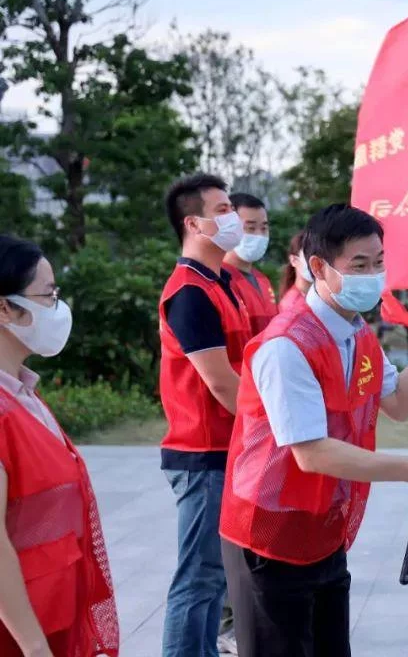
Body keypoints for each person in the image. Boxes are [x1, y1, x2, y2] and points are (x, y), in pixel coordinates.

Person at [218, 204, 408, 657]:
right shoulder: (286, 346)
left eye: (379, 262)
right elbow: (312, 454)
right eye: (359, 265)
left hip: (324, 531)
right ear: (318, 267)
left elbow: (399, 403)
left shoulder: (357, 335)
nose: (374, 274)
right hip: (270, 538)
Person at [0, 235, 119, 656]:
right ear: (4, 308)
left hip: (53, 613)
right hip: (20, 635)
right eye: (48, 295)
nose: (58, 308)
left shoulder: (23, 393)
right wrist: (33, 646)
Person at [159, 174, 253, 657]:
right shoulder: (190, 291)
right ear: (193, 223)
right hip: (202, 454)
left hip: (225, 449)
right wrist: (269, 430)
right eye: (222, 211)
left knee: (214, 578)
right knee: (197, 579)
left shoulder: (221, 283)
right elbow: (220, 381)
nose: (232, 218)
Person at [223, 193, 278, 336]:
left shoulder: (262, 280)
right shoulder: (221, 280)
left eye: (264, 228)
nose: (259, 235)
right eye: (251, 228)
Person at [278, 231, 313, 313]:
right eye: (308, 256)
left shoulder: (314, 298)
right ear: (293, 260)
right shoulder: (291, 305)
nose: (315, 262)